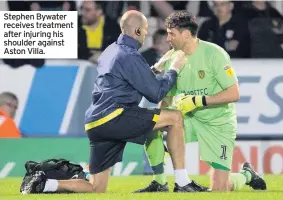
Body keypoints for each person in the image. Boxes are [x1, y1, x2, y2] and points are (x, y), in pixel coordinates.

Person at [21, 10, 209, 194]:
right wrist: (174, 70)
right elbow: (156, 94)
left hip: (96, 123)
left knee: (96, 187)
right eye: (144, 31)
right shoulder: (130, 55)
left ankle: (44, 184)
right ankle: (182, 182)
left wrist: (153, 71)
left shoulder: (110, 51)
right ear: (137, 31)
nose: (145, 35)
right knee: (175, 118)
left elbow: (125, 81)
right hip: (115, 116)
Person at [135, 10, 267, 192]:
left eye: (171, 34)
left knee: (219, 188)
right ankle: (160, 182)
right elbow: (167, 97)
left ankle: (246, 175)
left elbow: (234, 93)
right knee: (150, 124)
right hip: (187, 119)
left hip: (217, 123)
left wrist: (199, 100)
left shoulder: (215, 54)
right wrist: (162, 120)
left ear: (186, 34)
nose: (167, 39)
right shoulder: (173, 57)